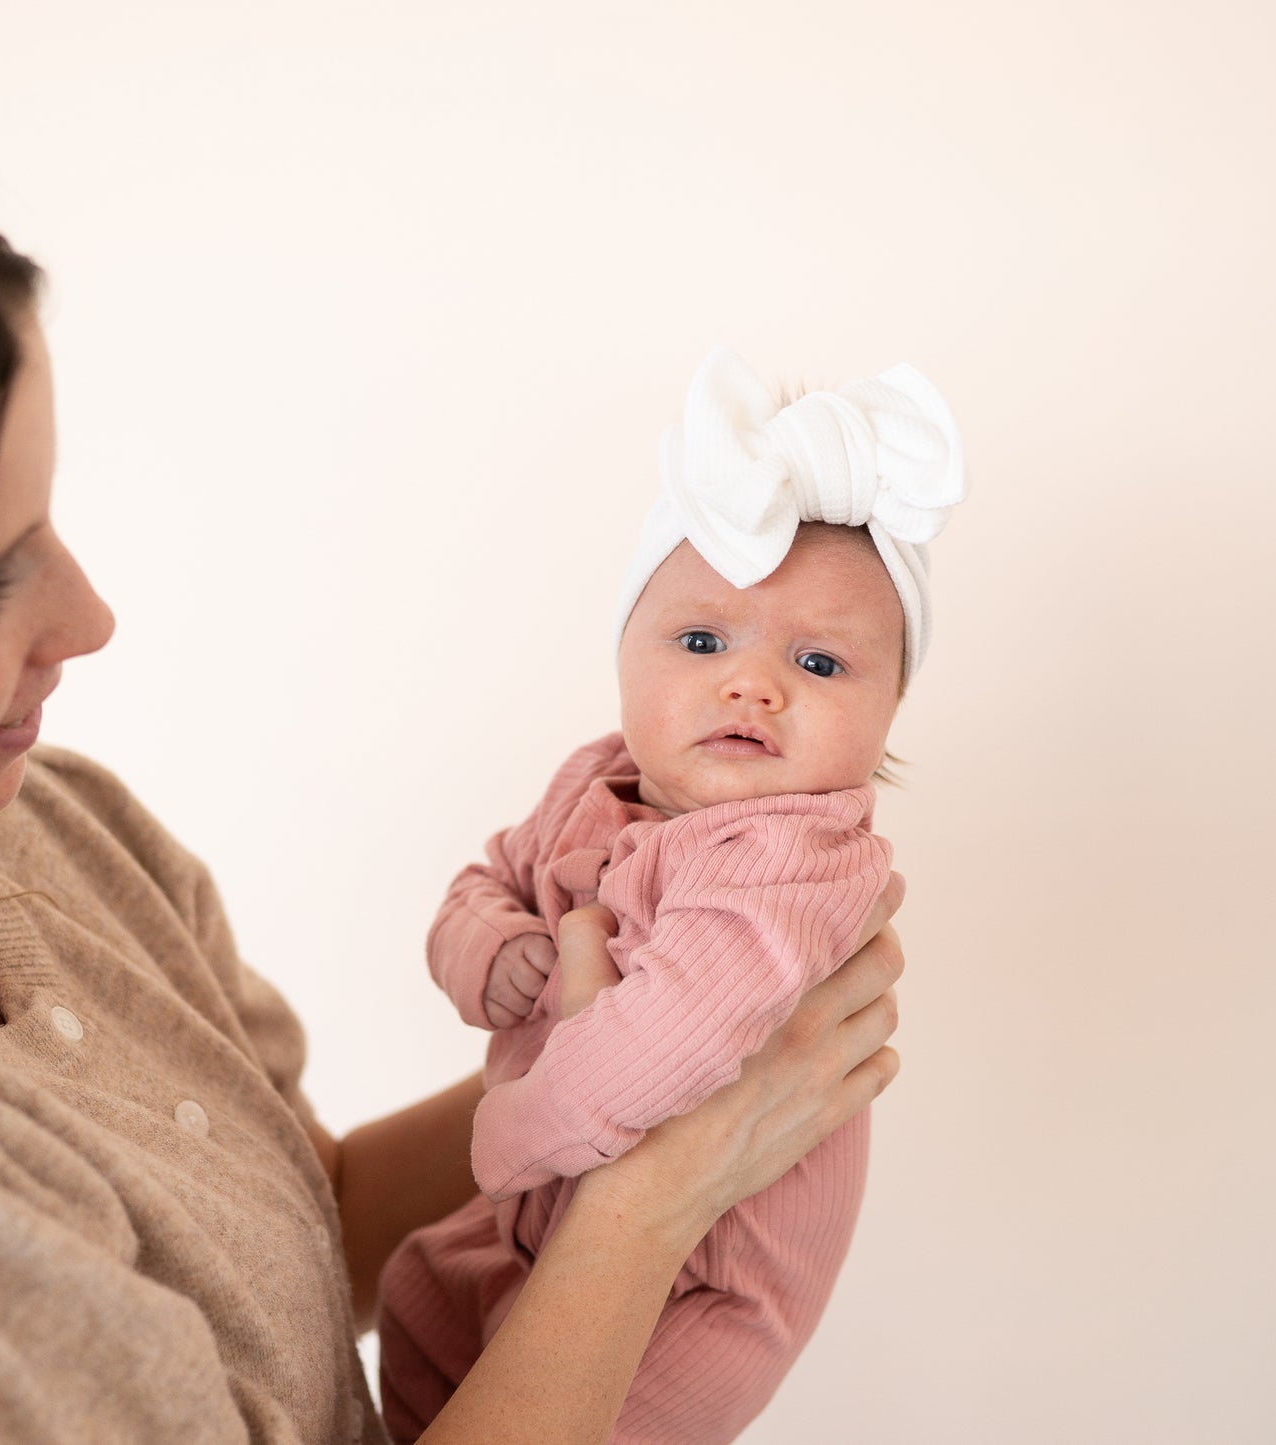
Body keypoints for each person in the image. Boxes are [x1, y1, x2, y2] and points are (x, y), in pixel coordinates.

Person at [0, 177, 906, 1444]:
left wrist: (609, 1048)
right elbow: (487, 891)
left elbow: (293, 1210)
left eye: (51, 519)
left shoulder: (63, 828)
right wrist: (644, 1188)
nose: (90, 616)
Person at [379, 348, 964, 1442]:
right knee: (418, 1293)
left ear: (889, 710)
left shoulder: (791, 859)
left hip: (707, 1280)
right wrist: (491, 945)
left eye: (822, 664)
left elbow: (663, 1035)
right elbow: (481, 880)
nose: (752, 683)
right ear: (623, 654)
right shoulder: (589, 781)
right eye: (700, 640)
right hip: (530, 1219)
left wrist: (506, 1130)